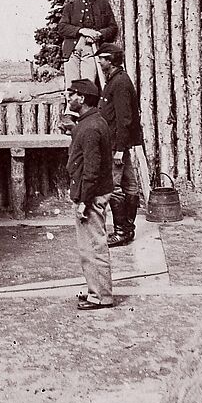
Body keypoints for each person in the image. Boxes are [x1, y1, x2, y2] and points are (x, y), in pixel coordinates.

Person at [66, 77, 115, 311]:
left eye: (72, 94)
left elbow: (92, 170)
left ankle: (101, 296)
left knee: (94, 247)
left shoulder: (90, 128)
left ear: (82, 98)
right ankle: (96, 291)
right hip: (92, 193)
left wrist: (84, 201)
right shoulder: (93, 122)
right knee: (90, 247)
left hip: (91, 196)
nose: (69, 97)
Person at [97, 43, 145, 247]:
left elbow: (125, 119)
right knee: (130, 186)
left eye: (102, 59)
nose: (99, 62)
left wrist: (119, 150)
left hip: (117, 145)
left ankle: (122, 231)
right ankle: (127, 229)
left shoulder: (120, 83)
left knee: (115, 188)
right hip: (118, 144)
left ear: (110, 60)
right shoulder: (116, 80)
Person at [57, 0, 119, 84]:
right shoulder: (70, 6)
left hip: (91, 50)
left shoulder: (102, 4)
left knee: (88, 85)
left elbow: (112, 27)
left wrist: (99, 34)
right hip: (72, 51)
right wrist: (81, 30)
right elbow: (62, 27)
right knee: (72, 87)